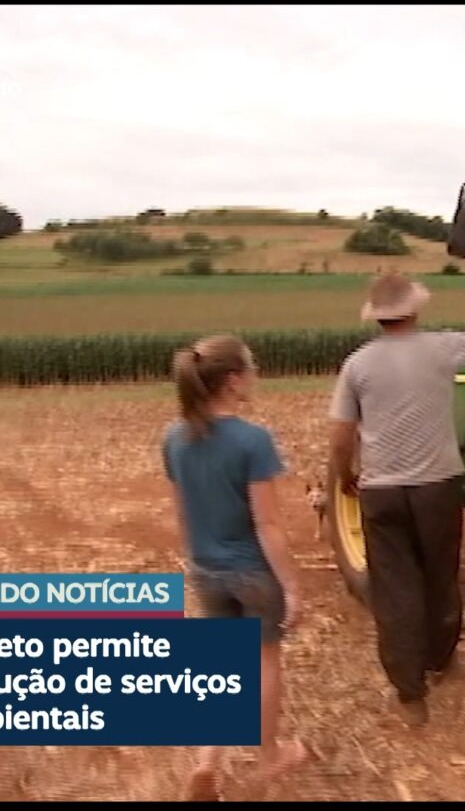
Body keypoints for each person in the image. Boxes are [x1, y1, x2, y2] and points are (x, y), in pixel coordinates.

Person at [328, 270, 465, 728]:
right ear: (415, 309)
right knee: (441, 575)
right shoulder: (443, 348)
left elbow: (341, 436)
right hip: (437, 488)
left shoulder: (357, 365)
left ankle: (410, 694)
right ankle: (440, 658)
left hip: (381, 492)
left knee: (394, 587)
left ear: (377, 317)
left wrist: (345, 476)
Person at [161, 334, 309, 800]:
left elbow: (183, 512)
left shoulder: (173, 439)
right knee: (265, 662)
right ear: (232, 380)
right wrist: (292, 586)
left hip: (206, 569)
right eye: (251, 368)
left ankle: (207, 762)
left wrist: (198, 560)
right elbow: (267, 524)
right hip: (252, 573)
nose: (255, 375)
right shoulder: (252, 441)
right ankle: (270, 755)